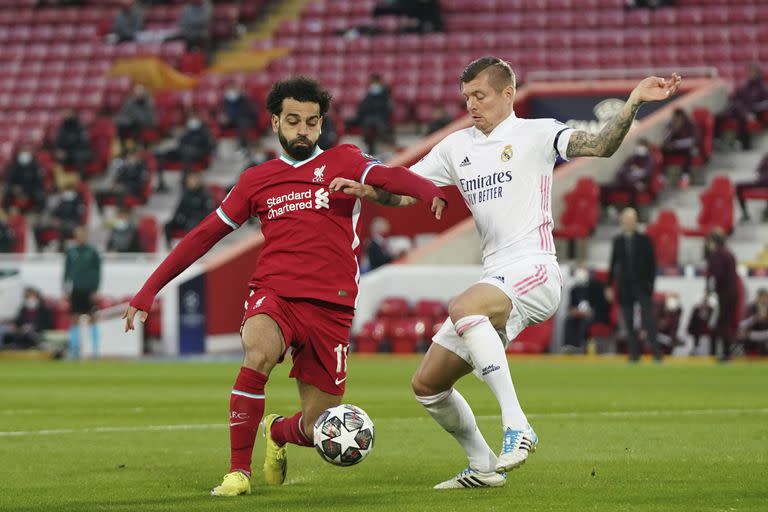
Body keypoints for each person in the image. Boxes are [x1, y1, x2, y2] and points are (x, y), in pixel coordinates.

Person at [330, 57, 681, 488]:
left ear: (508, 94)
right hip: (497, 278)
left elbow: (600, 145)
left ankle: (518, 426)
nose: (472, 105)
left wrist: (631, 104)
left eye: (480, 95)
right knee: (427, 386)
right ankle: (483, 465)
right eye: (466, 98)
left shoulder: (538, 132)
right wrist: (368, 190)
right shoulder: (456, 147)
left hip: (535, 268)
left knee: (464, 305)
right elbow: (405, 194)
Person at [121, 76, 447, 497]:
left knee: (319, 429)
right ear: (275, 123)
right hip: (274, 294)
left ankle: (277, 431)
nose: (303, 130)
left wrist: (426, 189)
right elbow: (203, 235)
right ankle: (239, 473)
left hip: (333, 306)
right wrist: (150, 289)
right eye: (293, 120)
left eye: (311, 122)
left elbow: (388, 176)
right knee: (258, 354)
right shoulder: (257, 180)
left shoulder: (344, 160)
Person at [607, 207, 661, 362]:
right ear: (622, 221)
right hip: (625, 287)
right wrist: (609, 285)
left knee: (649, 320)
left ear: (636, 221)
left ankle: (656, 354)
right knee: (628, 322)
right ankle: (634, 355)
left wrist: (651, 285)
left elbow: (652, 265)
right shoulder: (617, 241)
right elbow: (613, 264)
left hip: (642, 286)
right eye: (626, 219)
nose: (629, 222)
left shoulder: (645, 240)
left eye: (631, 219)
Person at [64, 226, 101, 358]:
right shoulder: (71, 252)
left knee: (93, 318)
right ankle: (74, 350)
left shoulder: (93, 252)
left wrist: (95, 288)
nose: (81, 237)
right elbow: (66, 271)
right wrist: (65, 287)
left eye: (83, 235)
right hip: (76, 289)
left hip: (89, 290)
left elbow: (98, 271)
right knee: (74, 319)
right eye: (79, 235)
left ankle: (95, 351)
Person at [155, 109, 216, 187]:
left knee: (187, 153)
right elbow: (181, 143)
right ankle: (161, 183)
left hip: (199, 153)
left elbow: (209, 146)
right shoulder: (187, 130)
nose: (192, 120)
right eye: (190, 118)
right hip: (184, 151)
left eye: (194, 118)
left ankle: (185, 180)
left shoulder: (204, 130)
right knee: (162, 154)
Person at [705, 230, 740, 362]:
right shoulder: (729, 254)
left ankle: (727, 353)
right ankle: (728, 352)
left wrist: (709, 291)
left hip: (723, 294)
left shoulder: (717, 255)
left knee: (722, 324)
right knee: (726, 323)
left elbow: (715, 275)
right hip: (733, 293)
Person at [716, 64, 768, 151]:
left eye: (753, 72)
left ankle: (743, 144)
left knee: (743, 117)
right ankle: (718, 140)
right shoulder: (744, 87)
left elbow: (765, 103)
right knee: (719, 115)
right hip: (739, 111)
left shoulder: (762, 88)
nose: (751, 74)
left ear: (758, 74)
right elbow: (735, 99)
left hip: (752, 113)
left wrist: (754, 111)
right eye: (749, 72)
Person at [561, 265, 610, 351]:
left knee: (584, 322)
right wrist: (575, 311)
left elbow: (601, 305)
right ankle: (568, 345)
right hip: (578, 314)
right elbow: (571, 307)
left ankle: (579, 346)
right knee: (569, 320)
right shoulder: (574, 290)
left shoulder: (596, 286)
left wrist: (590, 311)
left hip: (593, 314)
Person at [599, 138, 655, 211]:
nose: (640, 148)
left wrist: (633, 174)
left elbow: (646, 174)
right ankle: (608, 208)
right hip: (625, 182)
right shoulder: (633, 158)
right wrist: (628, 175)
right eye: (639, 145)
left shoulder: (649, 159)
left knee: (633, 188)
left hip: (639, 184)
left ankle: (632, 211)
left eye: (642, 146)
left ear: (647, 147)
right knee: (604, 187)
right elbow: (623, 170)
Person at [33, 178, 86, 252]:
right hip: (61, 222)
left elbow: (79, 215)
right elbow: (55, 212)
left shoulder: (77, 200)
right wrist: (55, 219)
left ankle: (61, 249)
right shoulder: (62, 199)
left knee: (63, 230)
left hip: (72, 223)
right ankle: (41, 248)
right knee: (38, 227)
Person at [163, 173, 214, 248]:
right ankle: (169, 247)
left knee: (191, 225)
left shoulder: (204, 195)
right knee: (168, 225)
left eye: (193, 180)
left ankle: (190, 248)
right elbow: (179, 209)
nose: (191, 182)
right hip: (185, 219)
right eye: (190, 180)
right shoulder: (186, 194)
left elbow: (207, 213)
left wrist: (196, 218)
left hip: (197, 221)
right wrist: (178, 218)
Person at [349, 74, 394, 155]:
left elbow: (387, 109)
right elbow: (363, 108)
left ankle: (387, 144)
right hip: (368, 118)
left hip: (381, 118)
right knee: (367, 124)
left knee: (378, 125)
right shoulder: (369, 95)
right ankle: (369, 147)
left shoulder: (385, 94)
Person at [95, 148, 149, 212]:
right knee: (99, 193)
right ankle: (101, 214)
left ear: (137, 158)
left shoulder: (141, 168)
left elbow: (140, 184)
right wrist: (116, 184)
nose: (130, 159)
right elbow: (119, 177)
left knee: (120, 193)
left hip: (133, 190)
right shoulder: (125, 167)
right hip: (121, 188)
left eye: (132, 157)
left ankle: (121, 213)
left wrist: (125, 186)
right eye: (128, 157)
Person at [2, 145, 47, 213]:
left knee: (40, 195)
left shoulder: (35, 166)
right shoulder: (13, 165)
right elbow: (9, 180)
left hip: (31, 189)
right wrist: (13, 187)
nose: (24, 155)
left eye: (26, 152)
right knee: (6, 193)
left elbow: (39, 182)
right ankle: (7, 212)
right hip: (16, 189)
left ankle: (37, 213)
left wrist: (26, 191)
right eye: (23, 152)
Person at [661, 108, 698, 188]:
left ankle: (685, 177)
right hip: (674, 148)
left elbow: (692, 141)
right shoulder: (671, 124)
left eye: (676, 117)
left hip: (685, 147)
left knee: (688, 152)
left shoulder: (690, 124)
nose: (675, 119)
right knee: (662, 150)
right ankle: (662, 176)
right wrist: (673, 129)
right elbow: (665, 138)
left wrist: (676, 144)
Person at [115, 83, 157, 155]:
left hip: (145, 123)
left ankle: (137, 147)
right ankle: (123, 147)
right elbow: (122, 114)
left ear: (144, 92)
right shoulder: (130, 101)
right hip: (131, 122)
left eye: (140, 91)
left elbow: (150, 118)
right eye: (136, 91)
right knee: (121, 125)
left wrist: (135, 116)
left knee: (137, 124)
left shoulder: (149, 102)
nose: (138, 93)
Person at [217, 81, 258, 153]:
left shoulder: (244, 99)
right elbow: (224, 111)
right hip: (232, 121)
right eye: (229, 89)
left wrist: (230, 117)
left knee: (242, 123)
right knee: (220, 122)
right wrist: (223, 117)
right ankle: (218, 149)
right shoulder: (226, 101)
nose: (231, 92)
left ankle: (243, 147)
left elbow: (246, 113)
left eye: (233, 89)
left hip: (246, 120)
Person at [54, 109, 92, 179]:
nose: (65, 115)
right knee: (55, 156)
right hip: (67, 152)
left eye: (67, 113)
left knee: (78, 156)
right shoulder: (63, 127)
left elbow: (82, 143)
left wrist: (67, 152)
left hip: (81, 151)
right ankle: (60, 182)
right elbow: (58, 141)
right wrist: (58, 150)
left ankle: (82, 179)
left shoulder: (80, 126)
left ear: (73, 114)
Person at [735, 153, 768, 222]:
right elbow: (759, 169)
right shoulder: (766, 157)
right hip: (761, 182)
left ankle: (766, 213)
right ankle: (745, 214)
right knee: (739, 187)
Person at [738, 288, 768, 355]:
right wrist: (755, 319)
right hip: (751, 343)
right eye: (762, 298)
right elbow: (741, 325)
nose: (764, 300)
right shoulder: (751, 308)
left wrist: (749, 335)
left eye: (765, 298)